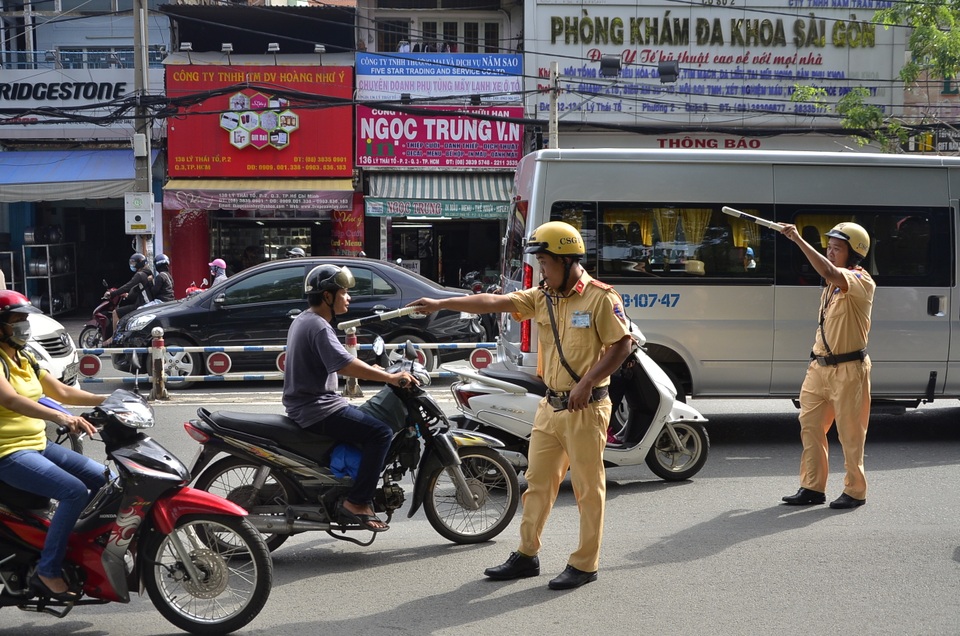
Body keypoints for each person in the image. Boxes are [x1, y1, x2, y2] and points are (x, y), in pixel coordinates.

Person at [408, 221, 632, 590]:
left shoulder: (599, 297)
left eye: (545, 261)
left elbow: (622, 345)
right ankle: (527, 555)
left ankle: (584, 563)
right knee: (537, 484)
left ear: (567, 259)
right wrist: (441, 302)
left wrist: (588, 381)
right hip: (551, 407)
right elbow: (493, 302)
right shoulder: (542, 296)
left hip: (587, 409)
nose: (541, 269)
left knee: (588, 490)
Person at [282, 264, 418, 532]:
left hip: (312, 404)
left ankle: (344, 486)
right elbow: (343, 365)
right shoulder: (319, 326)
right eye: (343, 292)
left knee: (366, 421)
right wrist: (390, 378)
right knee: (379, 433)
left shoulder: (305, 320)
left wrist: (377, 370)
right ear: (327, 296)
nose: (348, 297)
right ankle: (358, 501)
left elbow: (340, 360)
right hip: (317, 409)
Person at [0, 291, 108, 600]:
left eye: (24, 320)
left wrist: (112, 399)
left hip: (37, 443)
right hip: (8, 452)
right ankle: (48, 571)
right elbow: (10, 400)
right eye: (15, 321)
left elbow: (63, 392)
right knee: (73, 491)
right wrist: (61, 418)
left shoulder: (25, 357)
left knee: (106, 480)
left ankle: (81, 551)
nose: (23, 326)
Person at [779, 221, 874, 510]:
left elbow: (829, 271)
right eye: (829, 248)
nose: (830, 253)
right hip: (819, 367)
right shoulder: (831, 287)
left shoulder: (860, 281)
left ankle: (855, 491)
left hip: (849, 370)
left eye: (837, 249)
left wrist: (797, 239)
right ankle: (812, 486)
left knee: (850, 434)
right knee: (809, 426)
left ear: (854, 254)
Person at [103, 253, 153, 341]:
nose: (132, 266)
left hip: (142, 304)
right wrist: (127, 295)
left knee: (116, 312)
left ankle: (114, 338)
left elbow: (127, 286)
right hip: (145, 302)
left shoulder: (140, 275)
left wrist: (112, 294)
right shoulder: (147, 274)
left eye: (134, 264)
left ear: (140, 263)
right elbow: (137, 290)